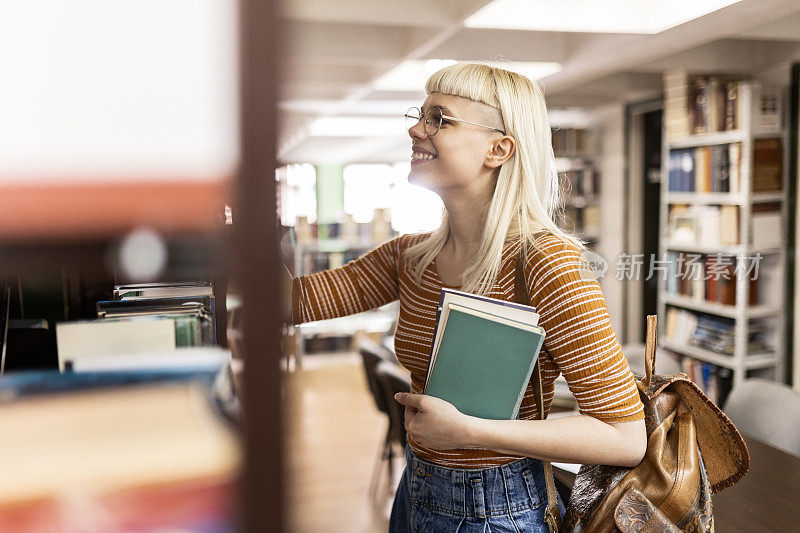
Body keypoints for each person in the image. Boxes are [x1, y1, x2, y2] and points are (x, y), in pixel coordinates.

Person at [285, 63, 646, 532]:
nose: (416, 129)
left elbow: (624, 435)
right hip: (416, 490)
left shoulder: (545, 262)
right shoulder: (410, 257)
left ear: (499, 149)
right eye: (421, 114)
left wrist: (469, 432)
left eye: (440, 118)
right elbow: (294, 302)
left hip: (498, 506)